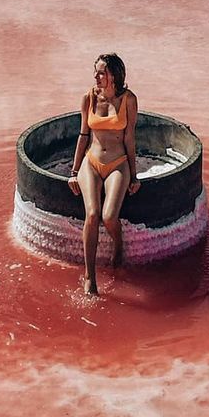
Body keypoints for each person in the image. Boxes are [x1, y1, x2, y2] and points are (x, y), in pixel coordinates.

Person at [67, 53, 140, 295]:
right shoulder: (88, 97)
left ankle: (118, 245)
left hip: (118, 163)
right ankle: (90, 277)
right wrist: (74, 171)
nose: (96, 76)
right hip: (92, 162)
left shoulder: (128, 100)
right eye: (96, 72)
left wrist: (135, 174)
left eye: (101, 72)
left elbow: (129, 138)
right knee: (92, 214)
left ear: (114, 75)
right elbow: (83, 136)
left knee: (109, 216)